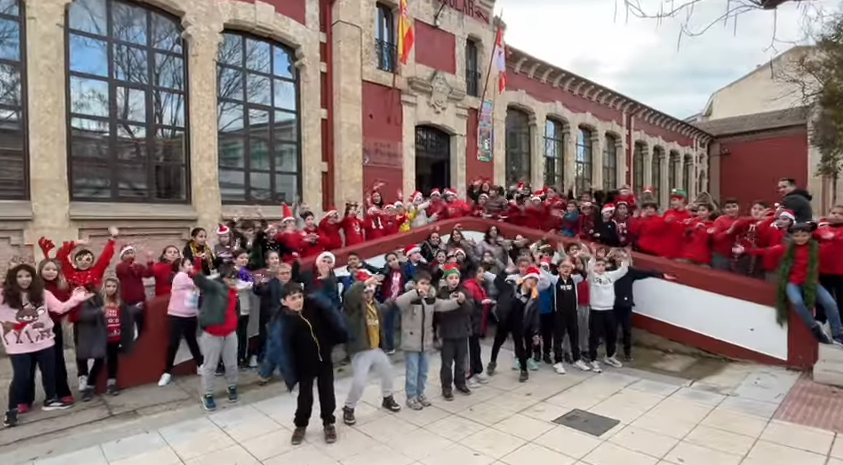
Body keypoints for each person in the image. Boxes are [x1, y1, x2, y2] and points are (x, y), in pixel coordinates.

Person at [2, 263, 94, 427]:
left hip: (45, 342)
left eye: (28, 276)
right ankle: (12, 410)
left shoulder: (43, 293)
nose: (24, 280)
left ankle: (51, 399)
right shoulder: (4, 295)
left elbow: (60, 308)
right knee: (21, 377)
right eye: (20, 276)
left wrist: (76, 299)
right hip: (18, 346)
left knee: (49, 372)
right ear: (13, 278)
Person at [736, 222, 843, 344]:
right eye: (797, 235)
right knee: (797, 301)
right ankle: (814, 327)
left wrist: (833, 238)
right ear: (792, 236)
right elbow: (767, 251)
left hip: (812, 282)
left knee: (830, 303)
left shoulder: (816, 249)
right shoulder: (786, 248)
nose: (800, 238)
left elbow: (834, 251)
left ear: (809, 235)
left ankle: (837, 333)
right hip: (793, 282)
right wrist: (745, 250)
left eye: (804, 235)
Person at [276, 282, 347, 445]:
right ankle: (300, 425)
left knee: (327, 391)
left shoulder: (315, 309)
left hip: (324, 358)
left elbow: (329, 306)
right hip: (303, 363)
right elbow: (278, 346)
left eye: (300, 297)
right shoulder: (284, 321)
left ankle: (328, 423)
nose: (298, 301)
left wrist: (335, 340)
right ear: (284, 301)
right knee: (305, 396)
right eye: (293, 298)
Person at [340, 271, 402, 426]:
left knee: (388, 372)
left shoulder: (374, 305)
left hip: (375, 348)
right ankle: (349, 407)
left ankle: (387, 398)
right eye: (365, 292)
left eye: (370, 292)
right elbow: (349, 296)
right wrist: (364, 282)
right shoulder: (352, 308)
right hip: (360, 351)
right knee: (360, 382)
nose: (368, 295)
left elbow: (384, 308)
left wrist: (393, 298)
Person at [394, 270, 461, 410]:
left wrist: (458, 301)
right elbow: (399, 302)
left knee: (423, 371)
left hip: (426, 341)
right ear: (415, 284)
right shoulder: (409, 297)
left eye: (427, 284)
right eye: (422, 283)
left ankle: (420, 393)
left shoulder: (431, 298)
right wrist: (415, 293)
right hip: (411, 341)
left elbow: (443, 305)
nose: (424, 287)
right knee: (412, 371)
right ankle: (411, 396)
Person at [76, 277, 135, 400]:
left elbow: (126, 315)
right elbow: (87, 315)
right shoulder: (99, 302)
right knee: (99, 362)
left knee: (113, 360)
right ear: (104, 287)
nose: (111, 289)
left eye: (114, 286)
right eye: (108, 286)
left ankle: (111, 384)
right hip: (103, 337)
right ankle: (90, 387)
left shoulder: (119, 302)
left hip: (116, 336)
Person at [193, 263, 241, 411]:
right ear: (223, 278)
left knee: (231, 363)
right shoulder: (215, 288)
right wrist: (193, 271)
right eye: (230, 278)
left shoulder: (234, 292)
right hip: (212, 334)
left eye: (235, 278)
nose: (233, 281)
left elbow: (235, 311)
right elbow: (202, 282)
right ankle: (207, 394)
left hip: (230, 333)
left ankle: (232, 386)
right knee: (210, 366)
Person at [487, 266, 542, 382]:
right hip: (504, 320)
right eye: (531, 278)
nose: (532, 282)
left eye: (535, 280)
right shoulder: (512, 287)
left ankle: (524, 370)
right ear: (525, 278)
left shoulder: (533, 297)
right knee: (498, 342)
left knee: (519, 346)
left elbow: (535, 316)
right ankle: (492, 362)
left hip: (519, 323)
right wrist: (505, 271)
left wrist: (536, 332)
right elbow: (497, 280)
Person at [159, 257, 204, 387]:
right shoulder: (180, 276)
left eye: (191, 264)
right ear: (180, 266)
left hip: (191, 315)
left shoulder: (191, 278)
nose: (191, 267)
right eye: (188, 264)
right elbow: (198, 282)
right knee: (173, 344)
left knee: (192, 341)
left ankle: (200, 365)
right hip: (176, 315)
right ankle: (167, 372)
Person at [585, 245, 629, 373]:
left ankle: (610, 356)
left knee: (612, 335)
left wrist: (625, 258)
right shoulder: (592, 277)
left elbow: (623, 270)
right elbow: (589, 269)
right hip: (596, 310)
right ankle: (593, 359)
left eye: (602, 265)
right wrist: (593, 256)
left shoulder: (610, 275)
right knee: (594, 336)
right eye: (598, 265)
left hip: (609, 310)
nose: (600, 267)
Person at [434, 264, 472, 400]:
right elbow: (437, 314)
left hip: (462, 332)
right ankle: (446, 387)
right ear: (446, 279)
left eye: (456, 277)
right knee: (447, 363)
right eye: (451, 278)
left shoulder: (465, 291)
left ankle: (460, 383)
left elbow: (470, 310)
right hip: (447, 333)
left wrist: (462, 301)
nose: (454, 280)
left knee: (461, 361)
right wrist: (449, 303)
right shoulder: (441, 294)